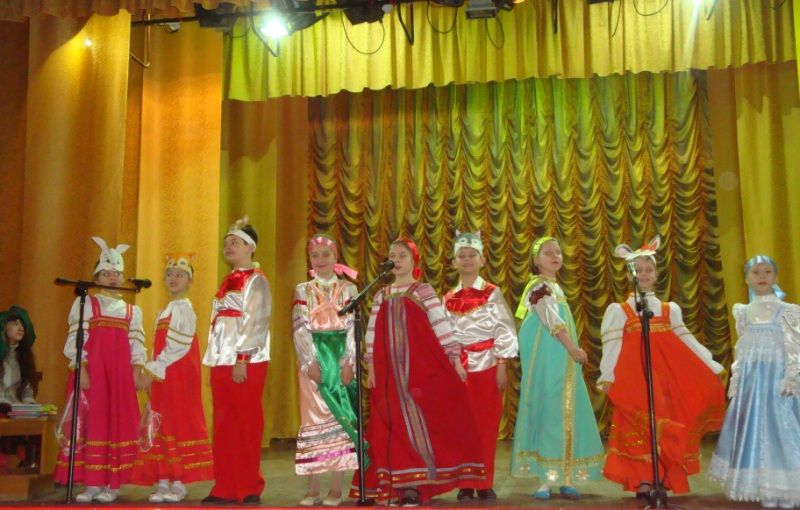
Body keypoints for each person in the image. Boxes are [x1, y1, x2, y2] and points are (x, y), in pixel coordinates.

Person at [353, 236, 485, 505]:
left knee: (420, 422)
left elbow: (440, 324)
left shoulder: (423, 290)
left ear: (413, 260)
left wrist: (454, 359)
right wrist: (371, 367)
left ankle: (417, 483)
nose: (396, 260)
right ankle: (400, 483)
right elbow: (371, 333)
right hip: (388, 373)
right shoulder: (380, 294)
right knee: (392, 425)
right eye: (392, 256)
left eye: (402, 255)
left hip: (420, 370)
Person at [599, 236, 725, 496]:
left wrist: (709, 363)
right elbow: (612, 344)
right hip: (636, 379)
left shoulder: (669, 309)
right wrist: (607, 374)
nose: (644, 274)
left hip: (665, 378)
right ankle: (643, 479)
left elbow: (686, 339)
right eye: (638, 270)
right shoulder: (620, 310)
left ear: (657, 274)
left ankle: (663, 477)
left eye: (649, 269)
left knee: (665, 424)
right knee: (639, 426)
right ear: (629, 275)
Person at [511, 237, 604, 500]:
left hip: (561, 362)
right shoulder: (538, 287)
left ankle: (566, 476)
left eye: (558, 252)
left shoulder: (554, 287)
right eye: (547, 253)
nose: (555, 256)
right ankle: (546, 478)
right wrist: (572, 348)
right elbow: (552, 322)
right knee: (550, 411)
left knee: (567, 414)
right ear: (536, 259)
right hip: (549, 360)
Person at [54, 237, 146, 503]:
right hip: (93, 372)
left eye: (116, 274)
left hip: (118, 376)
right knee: (93, 422)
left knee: (116, 424)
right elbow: (76, 337)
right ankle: (92, 483)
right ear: (96, 276)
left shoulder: (132, 310)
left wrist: (137, 369)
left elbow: (137, 343)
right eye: (106, 273)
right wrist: (80, 367)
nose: (112, 278)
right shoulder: (87, 304)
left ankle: (112, 484)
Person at [709, 255, 800, 509]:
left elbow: (794, 347)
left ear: (775, 277)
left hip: (776, 381)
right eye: (756, 272)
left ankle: (787, 488)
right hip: (752, 383)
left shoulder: (787, 311)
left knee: (781, 430)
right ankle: (766, 487)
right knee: (755, 432)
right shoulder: (743, 311)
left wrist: (791, 376)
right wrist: (737, 379)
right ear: (747, 278)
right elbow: (742, 347)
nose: (762, 277)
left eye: (767, 272)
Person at [442, 230, 518, 501]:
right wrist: (453, 362)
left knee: (485, 424)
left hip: (486, 365)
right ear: (454, 262)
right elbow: (444, 334)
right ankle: (465, 481)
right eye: (461, 256)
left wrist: (501, 365)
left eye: (472, 255)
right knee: (462, 426)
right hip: (458, 368)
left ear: (482, 260)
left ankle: (484, 481)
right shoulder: (448, 297)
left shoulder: (491, 293)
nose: (467, 260)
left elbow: (504, 329)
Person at [133, 253, 213, 502]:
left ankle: (179, 481)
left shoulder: (184, 309)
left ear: (190, 281)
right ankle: (163, 477)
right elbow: (157, 346)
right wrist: (150, 370)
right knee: (160, 422)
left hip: (178, 375)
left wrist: (153, 370)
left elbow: (178, 346)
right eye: (169, 274)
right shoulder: (164, 310)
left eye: (180, 275)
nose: (174, 278)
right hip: (163, 375)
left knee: (177, 422)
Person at [202, 217, 271, 505]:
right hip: (221, 360)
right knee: (224, 423)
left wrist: (242, 358)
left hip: (246, 361)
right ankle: (224, 486)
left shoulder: (256, 280)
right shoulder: (227, 281)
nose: (228, 247)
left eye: (235, 242)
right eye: (226, 243)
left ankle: (248, 485)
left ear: (250, 247)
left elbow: (256, 321)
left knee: (245, 422)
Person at [292, 234, 360, 506]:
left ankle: (336, 486)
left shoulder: (349, 289)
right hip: (315, 358)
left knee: (339, 419)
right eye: (315, 255)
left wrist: (349, 361)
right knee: (312, 420)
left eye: (326, 254)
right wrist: (308, 362)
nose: (320, 260)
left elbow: (353, 326)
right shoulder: (302, 289)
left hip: (339, 356)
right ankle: (312, 487)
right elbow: (299, 325)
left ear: (335, 257)